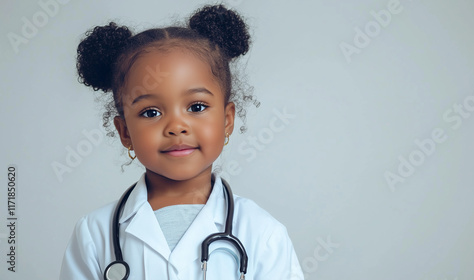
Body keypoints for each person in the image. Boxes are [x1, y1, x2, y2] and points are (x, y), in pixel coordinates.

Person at [60, 4, 304, 280]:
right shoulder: (94, 234)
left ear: (227, 120)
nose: (176, 127)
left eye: (197, 107)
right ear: (124, 131)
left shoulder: (262, 232)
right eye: (151, 112)